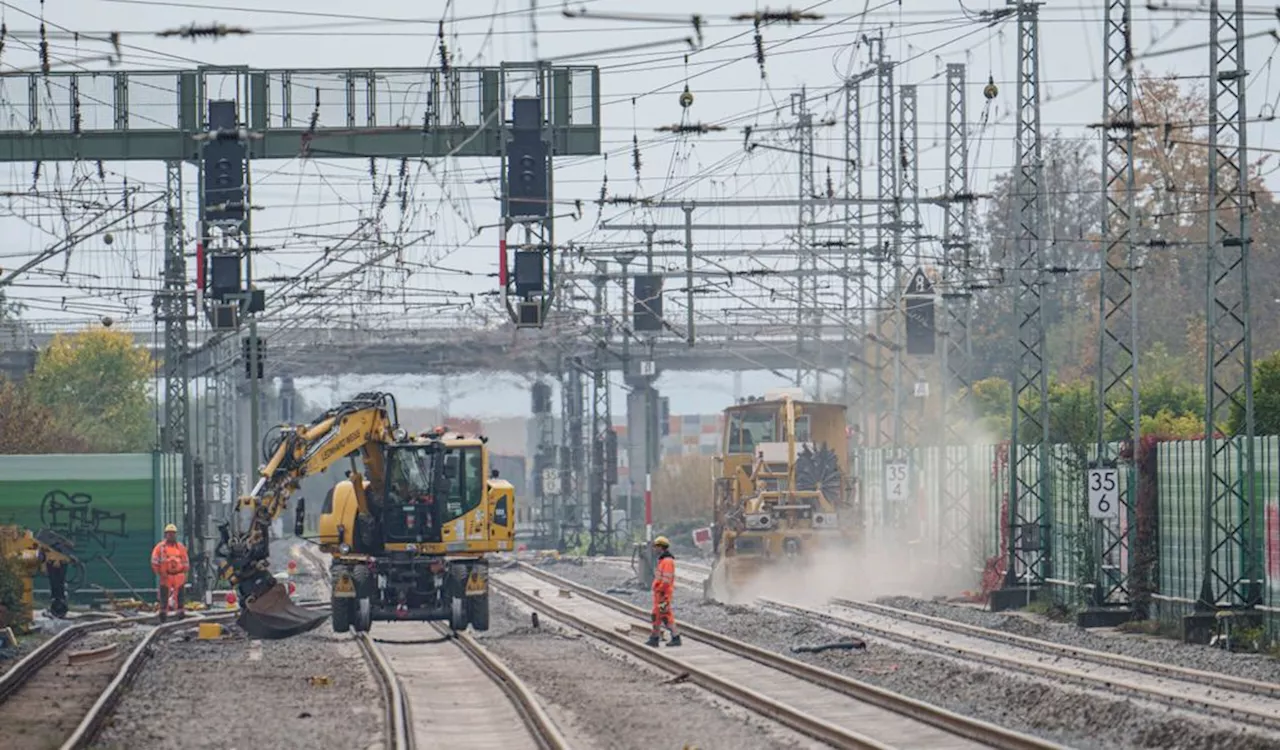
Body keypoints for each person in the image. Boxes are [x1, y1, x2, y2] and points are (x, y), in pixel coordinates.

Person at [646, 536, 682, 647]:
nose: (654, 549)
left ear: (661, 547)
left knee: (660, 615)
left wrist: (659, 589)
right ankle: (663, 637)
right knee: (662, 615)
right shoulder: (664, 560)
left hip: (663, 594)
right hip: (661, 594)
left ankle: (659, 638)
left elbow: (666, 581)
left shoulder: (667, 562)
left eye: (656, 547)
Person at [151, 523, 189, 622]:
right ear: (165, 535)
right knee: (164, 596)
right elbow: (154, 561)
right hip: (166, 575)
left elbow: (185, 561)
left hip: (178, 575)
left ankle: (180, 615)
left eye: (173, 533)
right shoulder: (160, 548)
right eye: (169, 533)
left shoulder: (180, 547)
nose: (171, 535)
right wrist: (159, 572)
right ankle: (163, 615)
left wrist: (184, 572)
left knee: (180, 596)